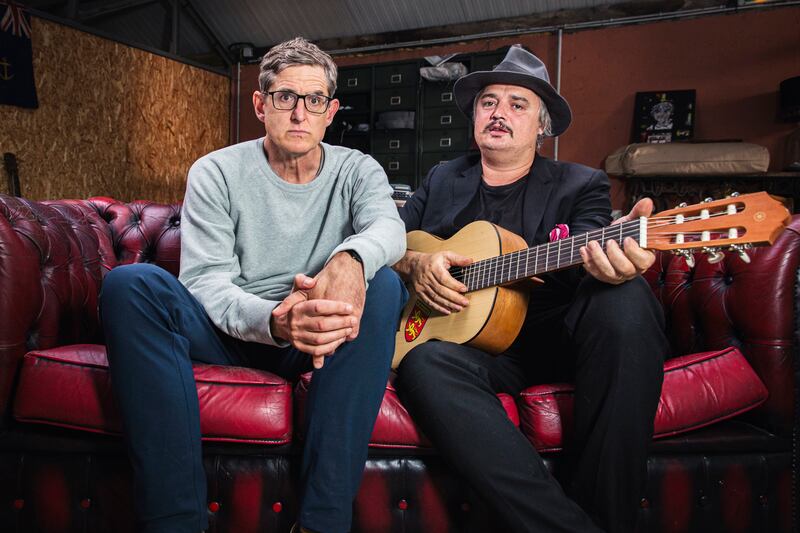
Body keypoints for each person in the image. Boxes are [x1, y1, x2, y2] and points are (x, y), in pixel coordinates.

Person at [100, 37, 407, 533]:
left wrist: (351, 257)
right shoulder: (217, 171)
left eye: (313, 101)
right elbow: (206, 283)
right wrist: (275, 321)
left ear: (331, 112)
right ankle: (175, 522)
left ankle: (321, 524)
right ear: (261, 105)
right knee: (130, 284)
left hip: (317, 341)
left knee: (385, 285)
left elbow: (390, 230)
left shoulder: (357, 169)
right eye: (286, 98)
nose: (299, 114)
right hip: (231, 334)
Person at [393, 45, 669, 533]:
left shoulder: (580, 184)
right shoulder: (441, 178)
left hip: (557, 337)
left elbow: (592, 260)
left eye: (518, 104)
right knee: (423, 361)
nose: (499, 113)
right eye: (488, 102)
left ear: (542, 127)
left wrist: (616, 263)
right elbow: (387, 240)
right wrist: (415, 263)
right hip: (483, 349)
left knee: (624, 301)